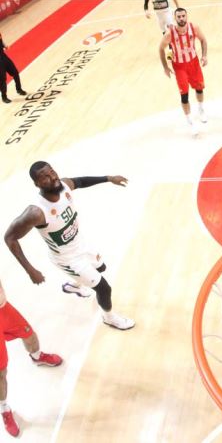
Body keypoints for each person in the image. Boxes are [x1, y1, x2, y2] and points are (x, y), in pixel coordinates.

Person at [4, 162, 135, 331]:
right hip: (67, 259)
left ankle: (75, 285)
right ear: (37, 184)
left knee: (101, 268)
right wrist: (30, 270)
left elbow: (80, 182)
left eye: (52, 172)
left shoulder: (64, 185)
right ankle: (109, 318)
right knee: (104, 288)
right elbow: (10, 238)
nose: (52, 177)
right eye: (45, 177)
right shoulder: (36, 212)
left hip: (80, 245)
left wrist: (109, 178)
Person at [0, 278, 62, 437]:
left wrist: (29, 269)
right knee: (1, 372)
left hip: (3, 308)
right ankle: (4, 409)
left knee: (29, 335)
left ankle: (37, 357)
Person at [159, 7, 208, 133]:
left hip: (194, 63)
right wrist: (165, 67)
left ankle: (201, 109)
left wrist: (204, 56)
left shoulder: (194, 28)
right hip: (179, 66)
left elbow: (203, 40)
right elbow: (161, 48)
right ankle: (190, 121)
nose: (181, 18)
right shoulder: (170, 33)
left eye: (183, 16)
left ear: (186, 16)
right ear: (175, 18)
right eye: (179, 17)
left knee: (199, 88)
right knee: (184, 95)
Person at [0, 32, 27, 104]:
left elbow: (1, 40)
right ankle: (4, 97)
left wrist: (4, 45)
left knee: (15, 72)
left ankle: (19, 89)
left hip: (3, 56)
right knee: (2, 79)